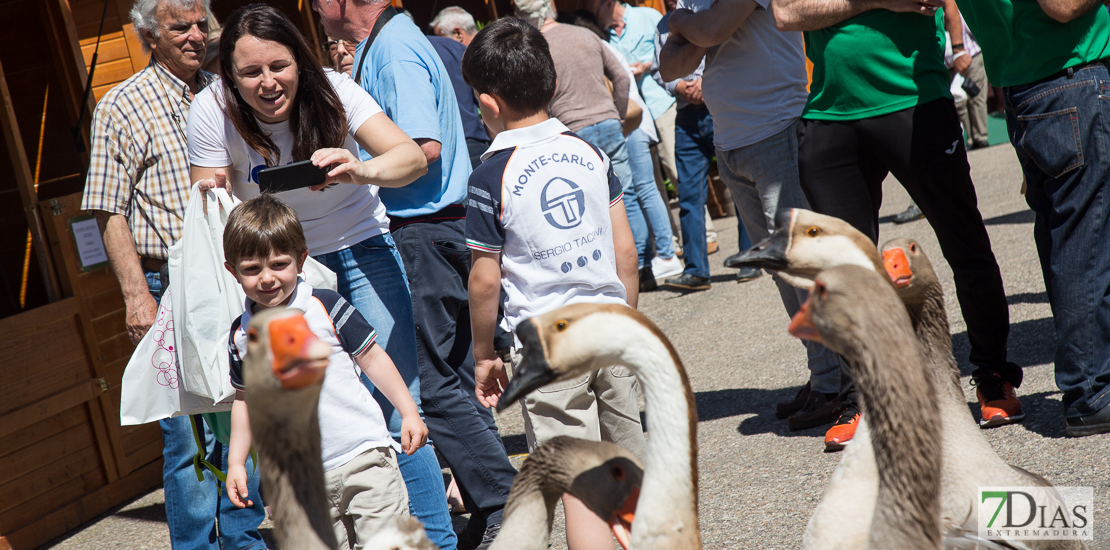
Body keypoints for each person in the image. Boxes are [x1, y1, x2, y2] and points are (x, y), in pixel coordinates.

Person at [183, 4, 456, 547]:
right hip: (279, 272)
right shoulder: (209, 110)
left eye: (279, 66)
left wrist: (361, 169)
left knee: (398, 399)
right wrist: (214, 192)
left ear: (299, 61)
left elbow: (410, 157)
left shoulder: (333, 89)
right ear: (230, 78)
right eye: (250, 72)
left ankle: (436, 541)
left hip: (360, 247)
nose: (268, 83)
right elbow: (210, 207)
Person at [313, 1, 518, 547]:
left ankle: (502, 500)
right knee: (447, 378)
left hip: (423, 227)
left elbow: (423, 148)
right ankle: (491, 501)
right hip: (433, 226)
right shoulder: (394, 42)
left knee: (430, 383)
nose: (313, 9)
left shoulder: (396, 48)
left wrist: (356, 171)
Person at [776, 0, 1021, 438]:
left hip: (915, 102)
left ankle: (992, 374)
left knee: (963, 243)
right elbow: (787, 14)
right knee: (842, 272)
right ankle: (864, 396)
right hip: (830, 114)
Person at [80, 0, 267, 547]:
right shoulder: (121, 105)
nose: (194, 35)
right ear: (148, 36)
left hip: (236, 278)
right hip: (171, 285)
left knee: (241, 414)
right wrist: (138, 298)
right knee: (186, 434)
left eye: (199, 23)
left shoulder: (229, 90)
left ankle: (243, 538)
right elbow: (107, 209)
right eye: (177, 27)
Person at [461, 18, 648, 550]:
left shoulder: (490, 176)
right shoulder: (590, 153)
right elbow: (626, 251)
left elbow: (485, 279)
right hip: (610, 326)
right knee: (624, 457)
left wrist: (483, 352)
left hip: (547, 342)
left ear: (489, 104)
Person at [659, 0, 847, 447]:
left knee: (805, 265)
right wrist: (696, 28)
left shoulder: (689, 9)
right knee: (783, 271)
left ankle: (844, 381)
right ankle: (825, 376)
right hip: (732, 141)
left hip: (777, 127)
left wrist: (686, 25)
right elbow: (670, 65)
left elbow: (710, 31)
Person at [223, 195, 427, 546]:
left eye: (279, 264)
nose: (267, 278)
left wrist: (409, 411)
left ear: (302, 260)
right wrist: (237, 462)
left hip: (365, 458)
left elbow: (373, 359)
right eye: (252, 269)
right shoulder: (241, 335)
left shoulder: (325, 306)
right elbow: (245, 401)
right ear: (233, 271)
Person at [954, 0, 1110, 436]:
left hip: (1029, 84)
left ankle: (1090, 382)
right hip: (1067, 76)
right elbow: (1062, 6)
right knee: (1085, 241)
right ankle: (1091, 389)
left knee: (1070, 239)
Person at [651, 9, 761, 285]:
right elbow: (659, 70)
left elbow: (731, 54)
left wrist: (704, 82)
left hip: (719, 108)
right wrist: (680, 87)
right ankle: (696, 270)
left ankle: (751, 257)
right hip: (686, 117)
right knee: (688, 195)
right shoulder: (664, 26)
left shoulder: (715, 13)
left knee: (737, 183)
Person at [427, 8, 492, 169]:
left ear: (458, 33)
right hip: (476, 143)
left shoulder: (473, 53)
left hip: (445, 147)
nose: (439, 43)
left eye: (440, 37)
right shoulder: (467, 52)